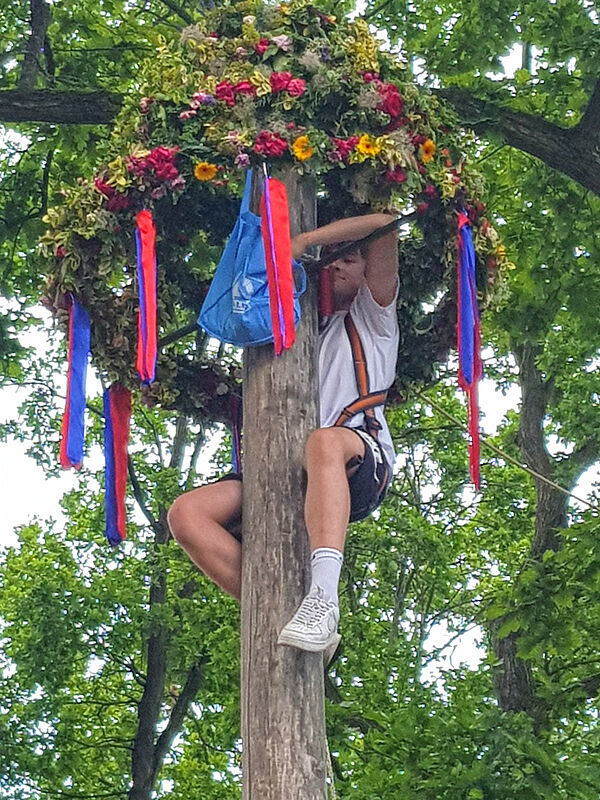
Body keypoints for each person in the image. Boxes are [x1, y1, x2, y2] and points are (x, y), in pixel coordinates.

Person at [167, 213, 399, 660]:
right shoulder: (289, 328)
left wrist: (304, 242)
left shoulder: (374, 319)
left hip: (353, 454)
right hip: (280, 469)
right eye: (330, 261)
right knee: (186, 513)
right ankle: (278, 613)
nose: (335, 266)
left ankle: (323, 598)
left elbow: (387, 224)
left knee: (324, 441)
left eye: (348, 258)